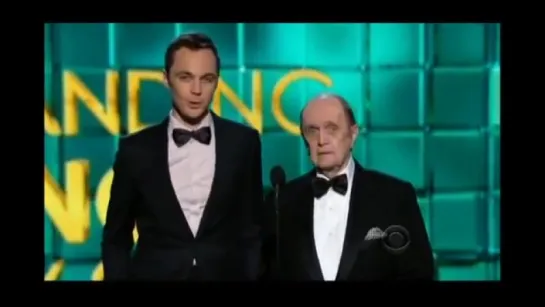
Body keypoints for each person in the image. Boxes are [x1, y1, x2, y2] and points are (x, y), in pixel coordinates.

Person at [101, 33, 264, 281]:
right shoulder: (135, 150)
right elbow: (116, 237)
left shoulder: (243, 143)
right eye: (185, 77)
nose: (196, 90)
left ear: (217, 81)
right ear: (166, 79)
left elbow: (252, 230)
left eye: (206, 79)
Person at [266, 93, 434, 281]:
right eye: (312, 130)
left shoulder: (394, 196)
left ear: (353, 134)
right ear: (304, 139)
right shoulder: (282, 201)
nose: (322, 140)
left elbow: (420, 273)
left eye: (332, 128)